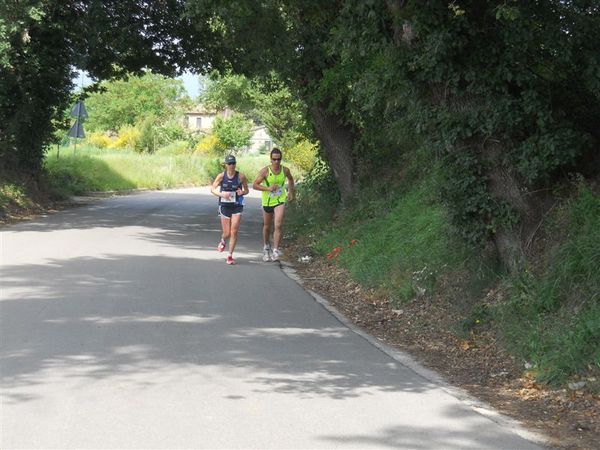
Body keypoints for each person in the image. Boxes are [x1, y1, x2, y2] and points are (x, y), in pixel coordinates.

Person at [252, 148, 294, 261]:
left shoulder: (285, 170)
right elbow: (255, 185)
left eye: (279, 159)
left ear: (281, 159)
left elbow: (290, 179)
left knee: (278, 224)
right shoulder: (265, 171)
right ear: (271, 159)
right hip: (268, 201)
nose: (276, 162)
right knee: (267, 226)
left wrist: (290, 192)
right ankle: (266, 247)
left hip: (280, 200)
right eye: (274, 159)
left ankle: (275, 250)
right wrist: (267, 188)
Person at [210, 154, 249, 265]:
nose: (232, 166)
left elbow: (246, 190)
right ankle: (223, 241)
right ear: (225, 165)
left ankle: (230, 255)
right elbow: (212, 189)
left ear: (235, 164)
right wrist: (222, 194)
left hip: (237, 205)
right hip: (224, 205)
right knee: (226, 233)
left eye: (233, 163)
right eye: (229, 164)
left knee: (234, 231)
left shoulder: (241, 176)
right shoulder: (221, 176)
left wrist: (242, 192)